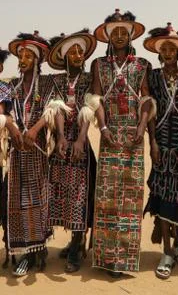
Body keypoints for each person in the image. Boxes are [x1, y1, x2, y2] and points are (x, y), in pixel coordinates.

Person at [86, 9, 156, 276]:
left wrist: (141, 126)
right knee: (107, 198)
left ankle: (124, 259)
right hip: (110, 135)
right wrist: (102, 127)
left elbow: (147, 99)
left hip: (133, 140)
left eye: (122, 32)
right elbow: (96, 98)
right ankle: (106, 258)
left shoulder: (142, 65)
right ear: (107, 36)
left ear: (129, 36)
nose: (117, 36)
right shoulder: (99, 66)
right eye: (113, 32)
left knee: (129, 198)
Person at [143, 23, 178, 279]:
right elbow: (151, 111)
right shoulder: (153, 77)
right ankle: (166, 250)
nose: (167, 52)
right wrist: (153, 143)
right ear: (159, 52)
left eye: (172, 48)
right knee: (163, 197)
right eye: (164, 48)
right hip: (161, 148)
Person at [47, 29, 97, 272]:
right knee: (62, 195)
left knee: (79, 196)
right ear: (65, 56)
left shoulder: (89, 79)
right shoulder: (57, 81)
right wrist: (59, 139)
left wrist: (79, 139)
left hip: (80, 146)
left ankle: (77, 245)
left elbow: (89, 108)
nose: (77, 54)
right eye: (72, 51)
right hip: (60, 145)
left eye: (80, 50)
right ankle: (73, 239)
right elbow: (55, 107)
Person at [7, 31, 56, 276]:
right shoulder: (11, 87)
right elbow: (3, 113)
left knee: (38, 201)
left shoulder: (47, 84)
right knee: (18, 202)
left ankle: (39, 249)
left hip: (37, 155)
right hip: (17, 154)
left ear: (37, 61)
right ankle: (23, 253)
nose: (23, 59)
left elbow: (54, 109)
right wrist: (13, 129)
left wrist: (35, 129)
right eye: (21, 55)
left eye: (28, 56)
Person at [0, 48, 23, 268]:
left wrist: (7, 122)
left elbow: (5, 115)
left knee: (5, 200)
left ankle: (11, 249)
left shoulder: (4, 88)